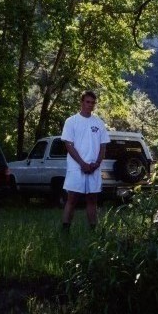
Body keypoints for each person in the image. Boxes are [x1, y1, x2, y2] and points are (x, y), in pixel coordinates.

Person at [61, 90, 110, 231]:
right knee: (72, 200)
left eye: (93, 103)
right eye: (87, 102)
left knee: (92, 200)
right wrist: (82, 164)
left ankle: (93, 231)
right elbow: (68, 145)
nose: (90, 105)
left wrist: (97, 164)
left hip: (94, 167)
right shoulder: (71, 121)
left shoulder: (99, 123)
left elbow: (103, 145)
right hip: (76, 167)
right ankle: (65, 230)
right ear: (82, 102)